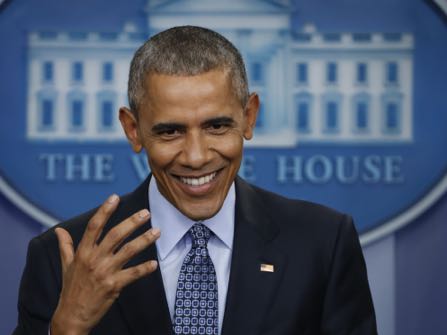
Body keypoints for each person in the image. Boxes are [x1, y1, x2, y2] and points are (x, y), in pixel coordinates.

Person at [14, 26, 377, 335]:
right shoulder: (63, 257)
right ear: (133, 130)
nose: (196, 156)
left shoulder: (322, 243)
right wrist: (67, 328)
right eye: (170, 131)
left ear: (249, 117)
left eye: (217, 126)